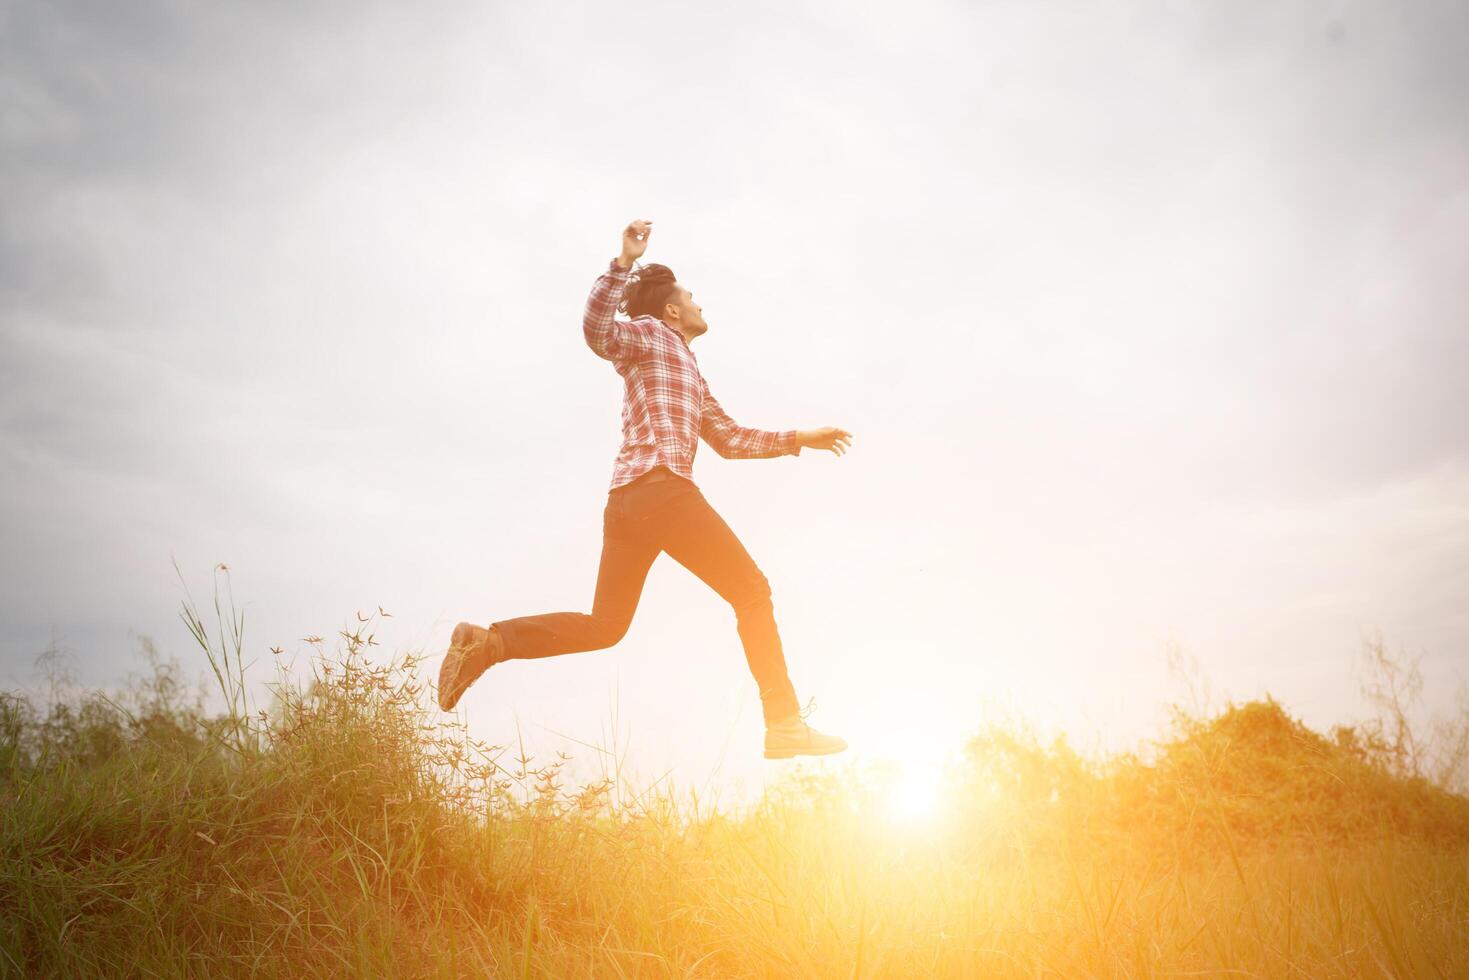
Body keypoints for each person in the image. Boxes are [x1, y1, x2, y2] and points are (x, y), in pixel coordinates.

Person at [437, 218, 851, 759]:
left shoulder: (691, 372)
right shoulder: (650, 336)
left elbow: (727, 438)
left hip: (629, 503)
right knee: (751, 591)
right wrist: (622, 265)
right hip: (661, 493)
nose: (702, 305)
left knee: (606, 626)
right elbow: (598, 334)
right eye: (692, 297)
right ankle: (785, 724)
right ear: (673, 310)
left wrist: (800, 437)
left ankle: (488, 643)